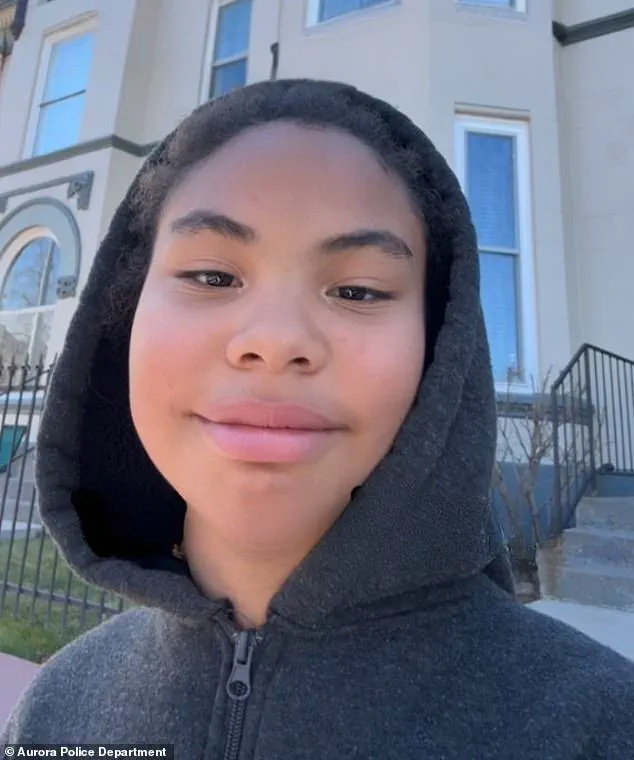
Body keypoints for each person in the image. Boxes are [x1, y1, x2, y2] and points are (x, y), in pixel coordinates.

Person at [2, 79, 633, 759]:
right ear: (122, 319)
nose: (275, 340)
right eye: (212, 277)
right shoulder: (55, 709)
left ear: (439, 348)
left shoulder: (593, 725)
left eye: (357, 290)